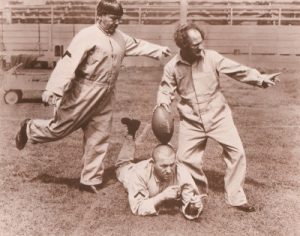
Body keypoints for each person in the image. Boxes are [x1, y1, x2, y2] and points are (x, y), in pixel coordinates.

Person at [15, 0, 171, 193]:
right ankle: (30, 128)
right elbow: (68, 62)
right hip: (82, 91)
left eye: (119, 19)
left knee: (99, 134)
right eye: (113, 18)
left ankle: (90, 179)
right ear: (100, 16)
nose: (117, 23)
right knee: (59, 129)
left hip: (106, 93)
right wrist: (53, 89)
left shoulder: (120, 37)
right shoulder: (87, 35)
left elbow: (137, 45)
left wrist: (158, 50)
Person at [156, 23, 280, 212]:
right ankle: (196, 193)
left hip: (219, 116)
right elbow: (165, 89)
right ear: (184, 46)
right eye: (195, 44)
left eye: (201, 42)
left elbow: (237, 70)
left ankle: (236, 197)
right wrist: (163, 104)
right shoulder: (172, 67)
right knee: (184, 159)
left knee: (236, 152)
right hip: (191, 121)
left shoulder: (212, 57)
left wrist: (260, 79)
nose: (201, 47)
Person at [116, 118, 206, 220]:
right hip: (130, 172)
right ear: (152, 163)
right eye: (164, 166)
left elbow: (189, 203)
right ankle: (130, 134)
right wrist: (162, 197)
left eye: (171, 164)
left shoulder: (181, 171)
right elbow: (137, 208)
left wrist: (194, 207)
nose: (169, 170)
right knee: (122, 165)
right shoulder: (139, 173)